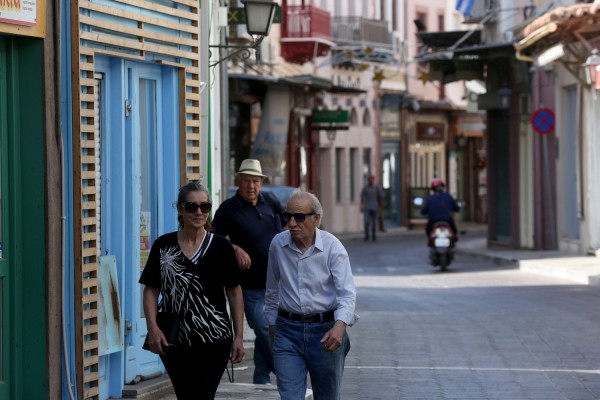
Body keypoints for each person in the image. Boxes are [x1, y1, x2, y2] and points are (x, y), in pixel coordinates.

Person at [139, 182, 244, 399]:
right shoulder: (163, 245)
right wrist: (153, 328)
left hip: (214, 338)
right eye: (191, 207)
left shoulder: (222, 247)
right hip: (174, 339)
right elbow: (151, 289)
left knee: (202, 396)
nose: (198, 212)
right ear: (179, 208)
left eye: (204, 207)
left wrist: (239, 336)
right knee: (185, 395)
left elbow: (234, 293)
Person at [265, 189, 359, 400]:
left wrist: (339, 327)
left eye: (299, 217)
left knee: (327, 396)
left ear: (316, 218)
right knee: (289, 396)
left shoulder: (333, 247)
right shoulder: (277, 245)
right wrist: (273, 330)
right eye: (287, 216)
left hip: (325, 333)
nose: (291, 223)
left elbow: (347, 294)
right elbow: (271, 291)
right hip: (287, 332)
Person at [212, 159, 283, 385]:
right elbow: (212, 239)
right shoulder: (228, 209)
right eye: (247, 181)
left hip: (277, 285)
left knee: (268, 333)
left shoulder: (270, 202)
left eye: (255, 181)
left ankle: (261, 378)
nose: (251, 186)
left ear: (261, 183)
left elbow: (287, 227)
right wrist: (233, 247)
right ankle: (286, 372)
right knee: (265, 330)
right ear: (238, 181)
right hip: (249, 288)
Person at [360, 174, 384, 241]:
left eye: (372, 179)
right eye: (370, 179)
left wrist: (380, 207)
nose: (371, 181)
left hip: (375, 207)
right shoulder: (365, 188)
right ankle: (366, 235)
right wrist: (361, 206)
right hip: (367, 207)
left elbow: (380, 197)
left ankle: (374, 235)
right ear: (368, 180)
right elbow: (362, 197)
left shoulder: (376, 188)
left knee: (374, 222)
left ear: (373, 180)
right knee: (366, 221)